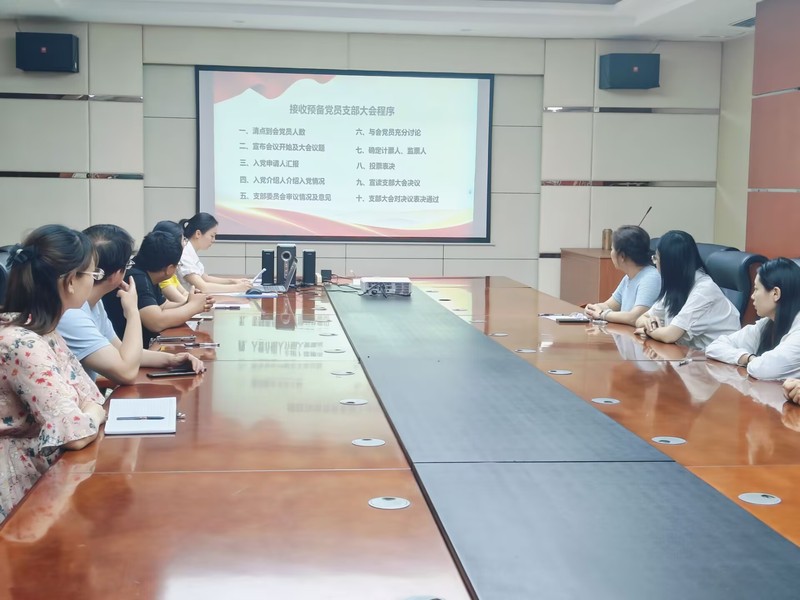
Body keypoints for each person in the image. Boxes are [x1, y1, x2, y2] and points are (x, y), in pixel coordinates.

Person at [0, 225, 107, 522]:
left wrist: (89, 411)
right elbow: (74, 433)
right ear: (71, 281)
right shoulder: (22, 342)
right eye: (93, 274)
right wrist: (93, 413)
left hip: (44, 472)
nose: (95, 281)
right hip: (18, 490)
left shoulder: (43, 331)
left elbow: (90, 395)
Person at [57, 224, 205, 384]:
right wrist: (133, 311)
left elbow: (121, 351)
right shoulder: (71, 314)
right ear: (116, 274)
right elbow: (126, 372)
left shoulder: (94, 303)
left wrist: (171, 359)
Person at [103, 231, 212, 348]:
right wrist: (193, 307)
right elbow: (156, 322)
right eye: (177, 265)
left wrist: (189, 302)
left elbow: (162, 306)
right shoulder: (136, 278)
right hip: (125, 350)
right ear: (169, 268)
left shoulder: (146, 272)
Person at [634, 230, 739, 349]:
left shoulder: (704, 291)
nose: (654, 263)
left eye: (656, 258)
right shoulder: (677, 284)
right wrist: (649, 323)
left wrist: (647, 330)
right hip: (691, 354)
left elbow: (670, 336)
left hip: (721, 357)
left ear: (669, 264)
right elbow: (640, 319)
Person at [705, 258, 800, 380]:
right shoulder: (767, 323)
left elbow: (764, 370)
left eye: (756, 289)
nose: (752, 296)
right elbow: (714, 347)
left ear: (775, 293)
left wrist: (753, 361)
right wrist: (747, 357)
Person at [584, 225, 661, 326]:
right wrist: (593, 308)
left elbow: (635, 317)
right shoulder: (629, 277)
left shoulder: (651, 278)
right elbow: (610, 305)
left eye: (612, 249)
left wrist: (602, 314)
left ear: (622, 256)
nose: (611, 253)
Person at [177, 212, 251, 293]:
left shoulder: (190, 251)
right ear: (198, 234)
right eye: (212, 236)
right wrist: (237, 288)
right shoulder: (184, 253)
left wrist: (233, 281)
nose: (213, 240)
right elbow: (204, 287)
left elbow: (205, 278)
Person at [151, 220, 191, 304]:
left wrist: (194, 297)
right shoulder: (161, 272)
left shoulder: (169, 266)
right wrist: (196, 300)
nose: (185, 243)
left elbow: (184, 293)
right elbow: (182, 301)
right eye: (183, 240)